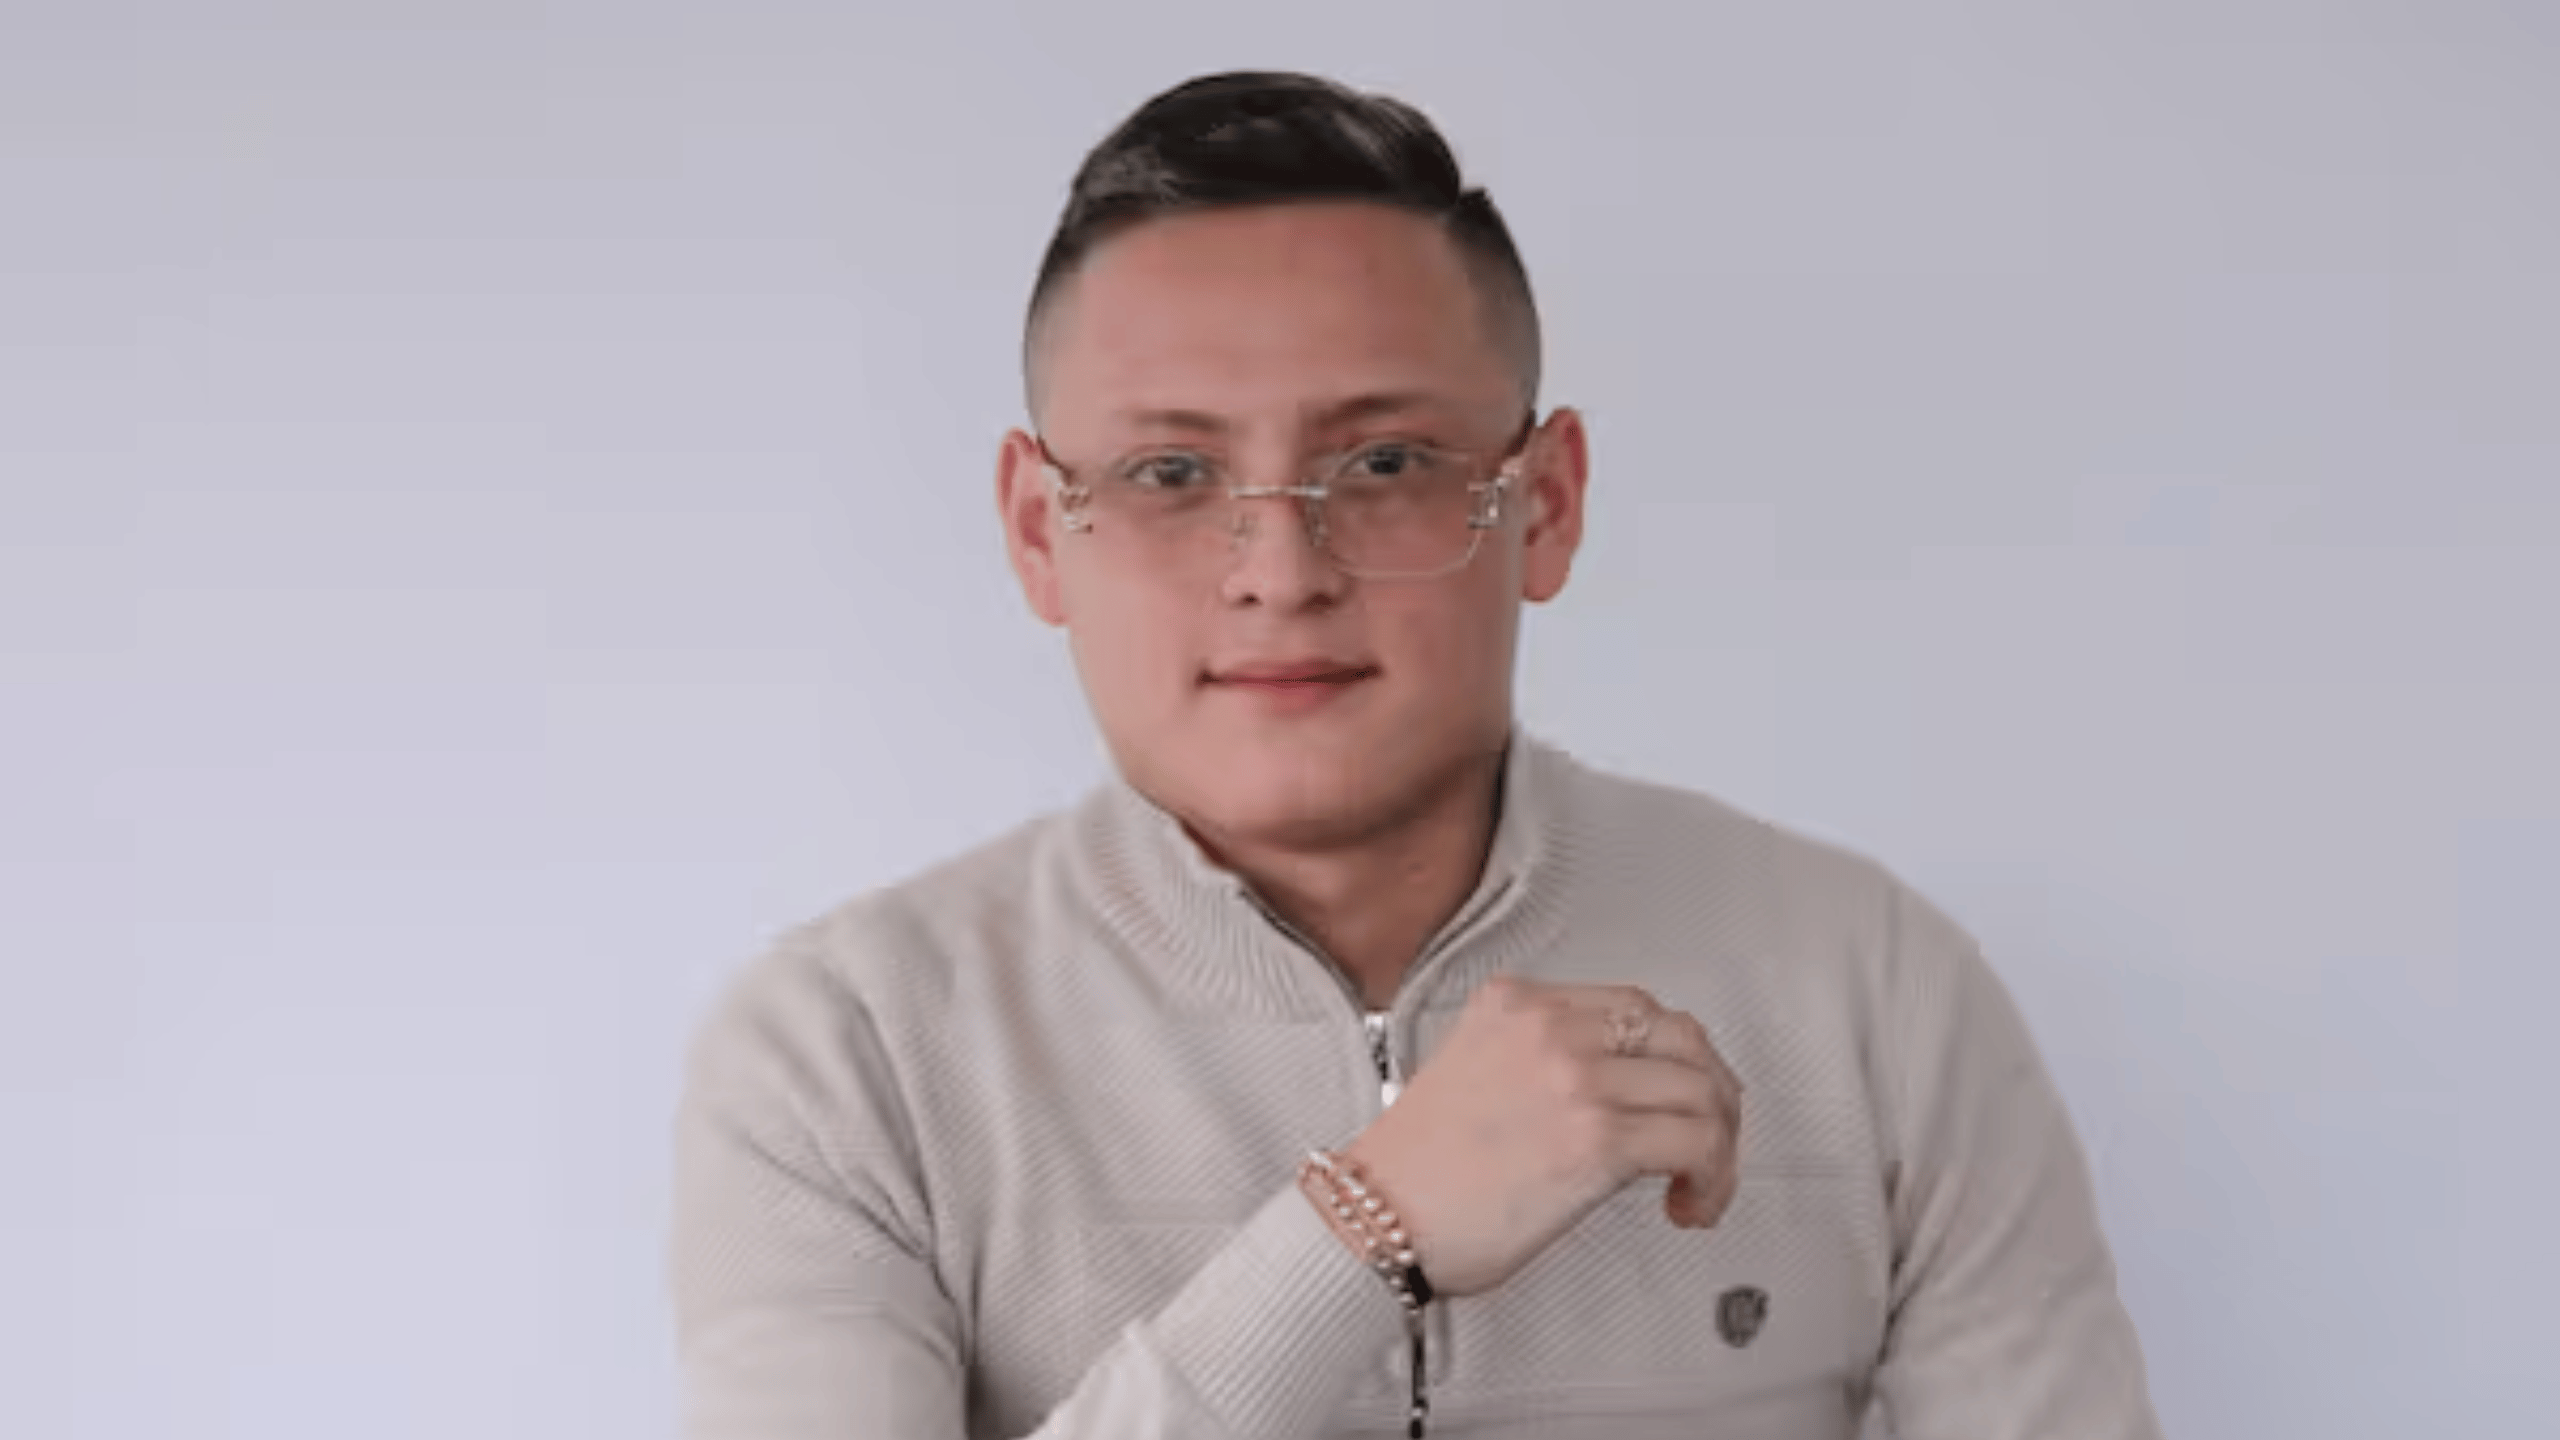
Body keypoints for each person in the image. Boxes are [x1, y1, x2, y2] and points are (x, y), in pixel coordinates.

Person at [669, 70, 2163, 1440]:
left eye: (1384, 463)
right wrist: (1360, 1234)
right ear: (1034, 532)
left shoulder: (1877, 995)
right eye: (1171, 471)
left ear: (1546, 504)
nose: (1280, 572)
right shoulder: (848, 1056)